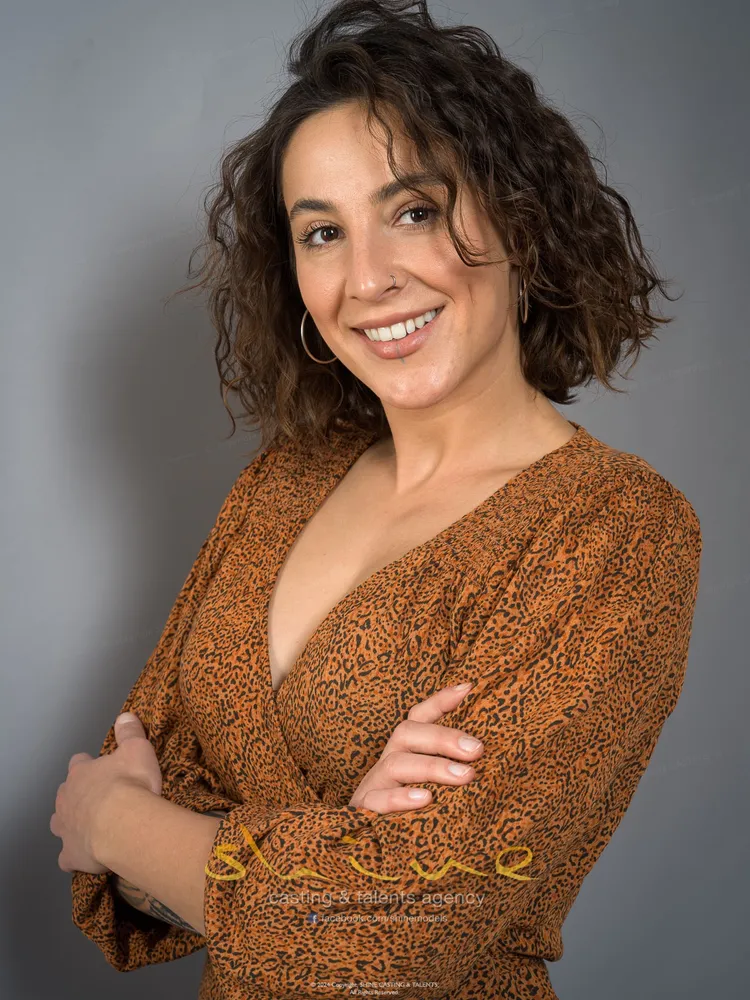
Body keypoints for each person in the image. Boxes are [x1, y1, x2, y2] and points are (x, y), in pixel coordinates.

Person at [56, 2, 703, 998]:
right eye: (323, 232)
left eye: (414, 211)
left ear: (520, 218)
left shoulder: (615, 529)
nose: (368, 279)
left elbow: (401, 931)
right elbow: (126, 819)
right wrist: (337, 849)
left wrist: (120, 823)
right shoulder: (283, 481)